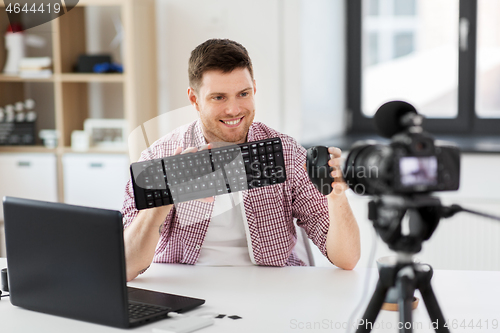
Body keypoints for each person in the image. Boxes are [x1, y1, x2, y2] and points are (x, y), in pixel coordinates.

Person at [121, 39, 360, 281]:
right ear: (194, 99)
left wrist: (336, 195)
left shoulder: (287, 153)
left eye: (243, 94)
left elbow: (347, 258)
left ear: (254, 89)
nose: (234, 110)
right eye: (218, 97)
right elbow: (126, 266)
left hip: (274, 288)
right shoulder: (159, 156)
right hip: (186, 286)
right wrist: (161, 203)